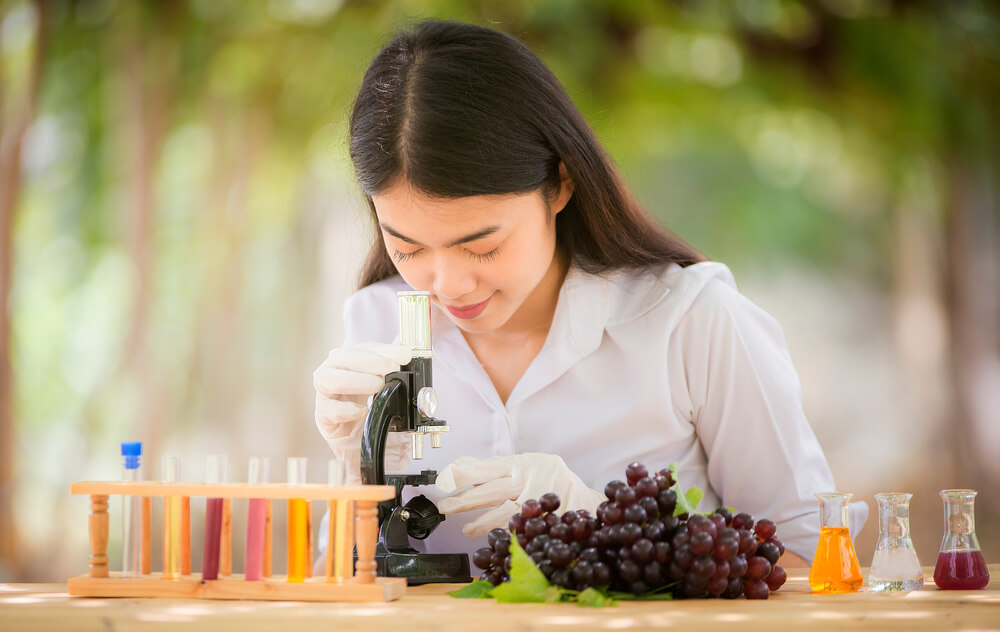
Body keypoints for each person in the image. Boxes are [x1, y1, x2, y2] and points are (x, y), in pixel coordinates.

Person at [312, 19, 863, 573]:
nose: (446, 285)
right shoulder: (375, 320)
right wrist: (358, 475)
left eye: (481, 245)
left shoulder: (690, 322)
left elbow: (813, 560)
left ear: (561, 184)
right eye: (407, 247)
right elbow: (342, 581)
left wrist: (603, 527)